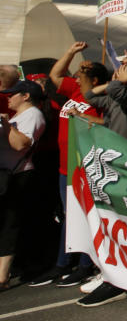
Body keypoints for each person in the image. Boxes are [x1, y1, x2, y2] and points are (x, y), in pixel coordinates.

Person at [34, 42, 108, 287]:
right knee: (68, 216)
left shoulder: (100, 99)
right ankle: (62, 264)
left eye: (81, 76)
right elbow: (55, 75)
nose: (76, 79)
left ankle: (85, 265)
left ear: (95, 79)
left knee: (83, 216)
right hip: (65, 167)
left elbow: (106, 124)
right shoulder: (74, 93)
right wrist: (71, 52)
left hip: (84, 167)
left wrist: (83, 116)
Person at [0, 81, 47, 289]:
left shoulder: (34, 115)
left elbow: (20, 144)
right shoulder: (20, 115)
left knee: (10, 223)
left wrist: (8, 125)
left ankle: (2, 275)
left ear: (25, 96)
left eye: (12, 94)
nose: (8, 97)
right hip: (7, 173)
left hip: (17, 175)